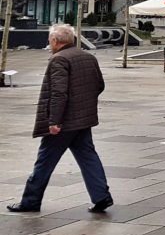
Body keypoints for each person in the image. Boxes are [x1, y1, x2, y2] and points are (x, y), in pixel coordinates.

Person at [8, 24, 113, 214]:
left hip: (64, 122)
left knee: (45, 160)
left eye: (50, 40)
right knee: (88, 157)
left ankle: (30, 201)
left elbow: (58, 93)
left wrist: (54, 121)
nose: (49, 43)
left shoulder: (59, 59)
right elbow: (99, 85)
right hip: (83, 120)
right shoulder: (88, 56)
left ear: (55, 41)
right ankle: (101, 196)